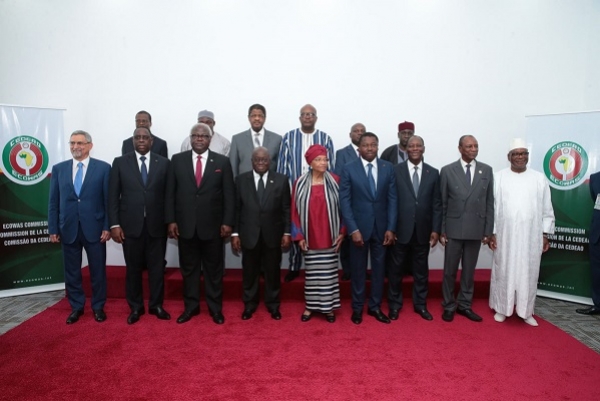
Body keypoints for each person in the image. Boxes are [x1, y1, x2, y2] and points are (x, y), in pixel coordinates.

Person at [166, 123, 235, 325]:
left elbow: (229, 195)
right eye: (195, 135)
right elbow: (170, 193)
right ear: (190, 138)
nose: (198, 139)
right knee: (189, 270)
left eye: (203, 136)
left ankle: (215, 309)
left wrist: (228, 222)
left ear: (210, 139)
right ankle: (191, 308)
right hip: (185, 226)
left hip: (213, 227)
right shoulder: (177, 161)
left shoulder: (222, 161)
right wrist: (170, 220)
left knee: (214, 271)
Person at [488, 138, 555, 326]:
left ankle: (526, 311)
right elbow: (491, 207)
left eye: (524, 153)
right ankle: (502, 308)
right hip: (505, 235)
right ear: (508, 157)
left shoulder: (539, 178)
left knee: (529, 272)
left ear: (528, 156)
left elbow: (546, 208)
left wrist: (545, 234)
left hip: (530, 236)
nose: (520, 157)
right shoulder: (498, 177)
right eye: (516, 153)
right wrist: (492, 233)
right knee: (504, 270)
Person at [109, 127, 171, 324]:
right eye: (138, 137)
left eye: (145, 137)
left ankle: (156, 305)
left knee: (156, 269)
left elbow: (169, 196)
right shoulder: (120, 162)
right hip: (130, 226)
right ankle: (135, 307)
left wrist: (170, 222)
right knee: (133, 269)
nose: (142, 140)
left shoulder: (164, 163)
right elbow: (112, 196)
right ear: (133, 141)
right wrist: (115, 224)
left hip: (156, 225)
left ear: (152, 141)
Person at [48, 130, 111, 324]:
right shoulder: (59, 169)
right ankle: (76, 307)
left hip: (95, 229)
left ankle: (98, 307)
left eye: (80, 143)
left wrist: (107, 226)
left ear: (90, 145)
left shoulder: (103, 168)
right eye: (72, 143)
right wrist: (53, 229)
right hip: (68, 229)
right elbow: (53, 202)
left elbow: (109, 201)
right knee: (72, 272)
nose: (76, 147)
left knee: (97, 271)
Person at [340, 132, 397, 324]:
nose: (370, 148)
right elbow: (345, 202)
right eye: (366, 145)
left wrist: (391, 227)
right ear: (359, 148)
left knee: (379, 271)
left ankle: (375, 307)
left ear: (378, 146)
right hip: (358, 230)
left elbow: (392, 199)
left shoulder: (388, 168)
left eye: (373, 145)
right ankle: (357, 308)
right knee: (358, 271)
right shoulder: (349, 169)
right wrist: (353, 229)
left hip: (382, 229)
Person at [231, 147, 291, 320]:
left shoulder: (281, 180)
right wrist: (235, 234)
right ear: (252, 161)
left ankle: (273, 305)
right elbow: (236, 209)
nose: (261, 163)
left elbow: (286, 208)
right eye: (257, 159)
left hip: (273, 234)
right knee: (250, 272)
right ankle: (249, 304)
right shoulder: (241, 180)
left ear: (270, 161)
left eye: (264, 159)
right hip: (249, 234)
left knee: (272, 272)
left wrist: (287, 232)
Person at [277, 104, 336, 282]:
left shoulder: (325, 138)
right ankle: (294, 266)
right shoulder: (289, 137)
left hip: (320, 192)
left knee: (318, 227)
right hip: (296, 191)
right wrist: (285, 192)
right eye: (304, 114)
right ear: (300, 117)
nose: (308, 117)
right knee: (296, 225)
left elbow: (330, 166)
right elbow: (282, 166)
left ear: (316, 118)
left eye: (311, 114)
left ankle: (321, 269)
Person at [440, 135, 494, 323]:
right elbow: (443, 203)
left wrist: (488, 231)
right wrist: (442, 229)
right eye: (469, 146)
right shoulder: (447, 171)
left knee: (469, 271)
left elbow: (489, 203)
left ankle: (464, 305)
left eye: (476, 146)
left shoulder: (486, 170)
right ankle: (448, 305)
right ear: (460, 148)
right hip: (454, 229)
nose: (473, 149)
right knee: (449, 271)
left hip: (476, 228)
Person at [387, 135, 442, 321]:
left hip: (423, 231)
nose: (415, 148)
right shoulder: (395, 171)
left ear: (424, 148)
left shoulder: (433, 173)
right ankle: (394, 305)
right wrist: (391, 228)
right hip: (400, 230)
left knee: (421, 271)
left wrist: (436, 229)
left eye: (419, 145)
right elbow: (391, 201)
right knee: (395, 271)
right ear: (406, 149)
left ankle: (420, 305)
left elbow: (437, 203)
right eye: (412, 146)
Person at [291, 145, 344, 323]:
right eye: (319, 160)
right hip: (310, 236)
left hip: (331, 236)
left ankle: (328, 308)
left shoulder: (336, 180)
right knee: (312, 275)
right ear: (310, 163)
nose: (323, 163)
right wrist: (298, 237)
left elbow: (345, 209)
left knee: (329, 275)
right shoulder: (299, 183)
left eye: (325, 159)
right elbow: (294, 212)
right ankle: (310, 307)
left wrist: (343, 232)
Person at [334, 122, 366, 281]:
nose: (359, 133)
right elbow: (338, 177)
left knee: (364, 236)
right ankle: (347, 270)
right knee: (347, 237)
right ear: (350, 134)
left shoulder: (370, 152)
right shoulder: (342, 153)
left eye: (362, 131)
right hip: (347, 201)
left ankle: (362, 269)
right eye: (356, 131)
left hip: (365, 203)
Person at [229, 104, 282, 177]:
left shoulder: (277, 139)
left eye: (260, 116)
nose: (257, 118)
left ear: (265, 118)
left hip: (270, 185)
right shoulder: (237, 139)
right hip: (244, 185)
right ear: (249, 118)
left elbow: (280, 166)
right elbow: (233, 166)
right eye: (253, 116)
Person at [577, 171, 600, 315]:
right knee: (597, 271)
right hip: (598, 233)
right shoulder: (595, 178)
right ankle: (598, 304)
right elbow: (595, 199)